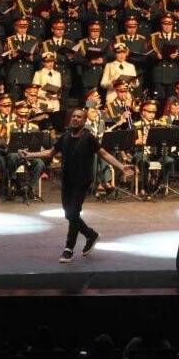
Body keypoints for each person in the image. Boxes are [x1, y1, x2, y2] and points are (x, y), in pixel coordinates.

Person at [19, 108, 134, 263]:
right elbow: (50, 153)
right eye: (73, 116)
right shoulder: (65, 137)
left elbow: (104, 154)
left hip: (82, 181)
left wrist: (121, 166)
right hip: (67, 180)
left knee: (73, 213)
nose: (75, 118)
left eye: (79, 117)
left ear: (84, 121)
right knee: (69, 214)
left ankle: (69, 248)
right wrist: (30, 155)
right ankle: (91, 235)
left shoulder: (89, 138)